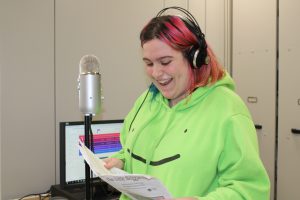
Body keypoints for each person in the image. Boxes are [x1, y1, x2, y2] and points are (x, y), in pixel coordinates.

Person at [104, 7, 270, 200]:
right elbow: (129, 149)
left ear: (195, 58)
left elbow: (251, 190)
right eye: (149, 63)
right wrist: (121, 162)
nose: (156, 74)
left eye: (165, 62)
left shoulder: (227, 109)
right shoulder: (146, 101)